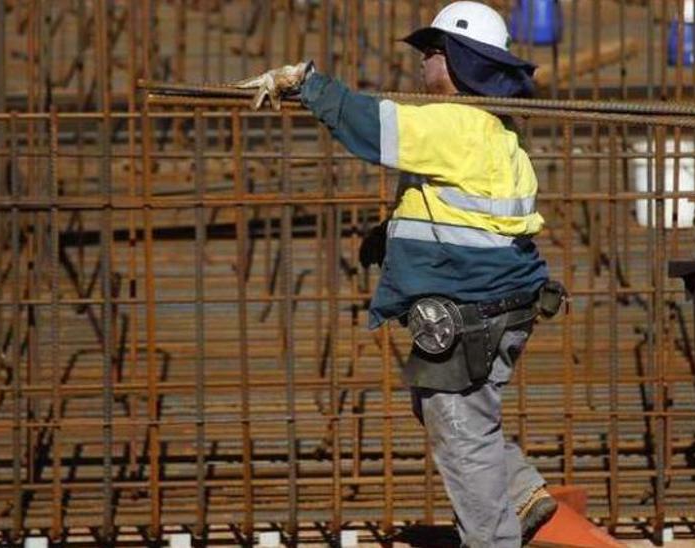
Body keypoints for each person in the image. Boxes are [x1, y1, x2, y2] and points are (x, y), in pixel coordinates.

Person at [235, 2, 562, 546]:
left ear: (462, 62)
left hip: (472, 313)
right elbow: (464, 214)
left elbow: (372, 126)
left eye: (433, 53)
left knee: (461, 434)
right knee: (452, 414)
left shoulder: (453, 121)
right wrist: (393, 235)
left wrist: (310, 85)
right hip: (504, 305)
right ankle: (522, 491)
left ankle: (495, 539)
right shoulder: (496, 130)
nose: (423, 65)